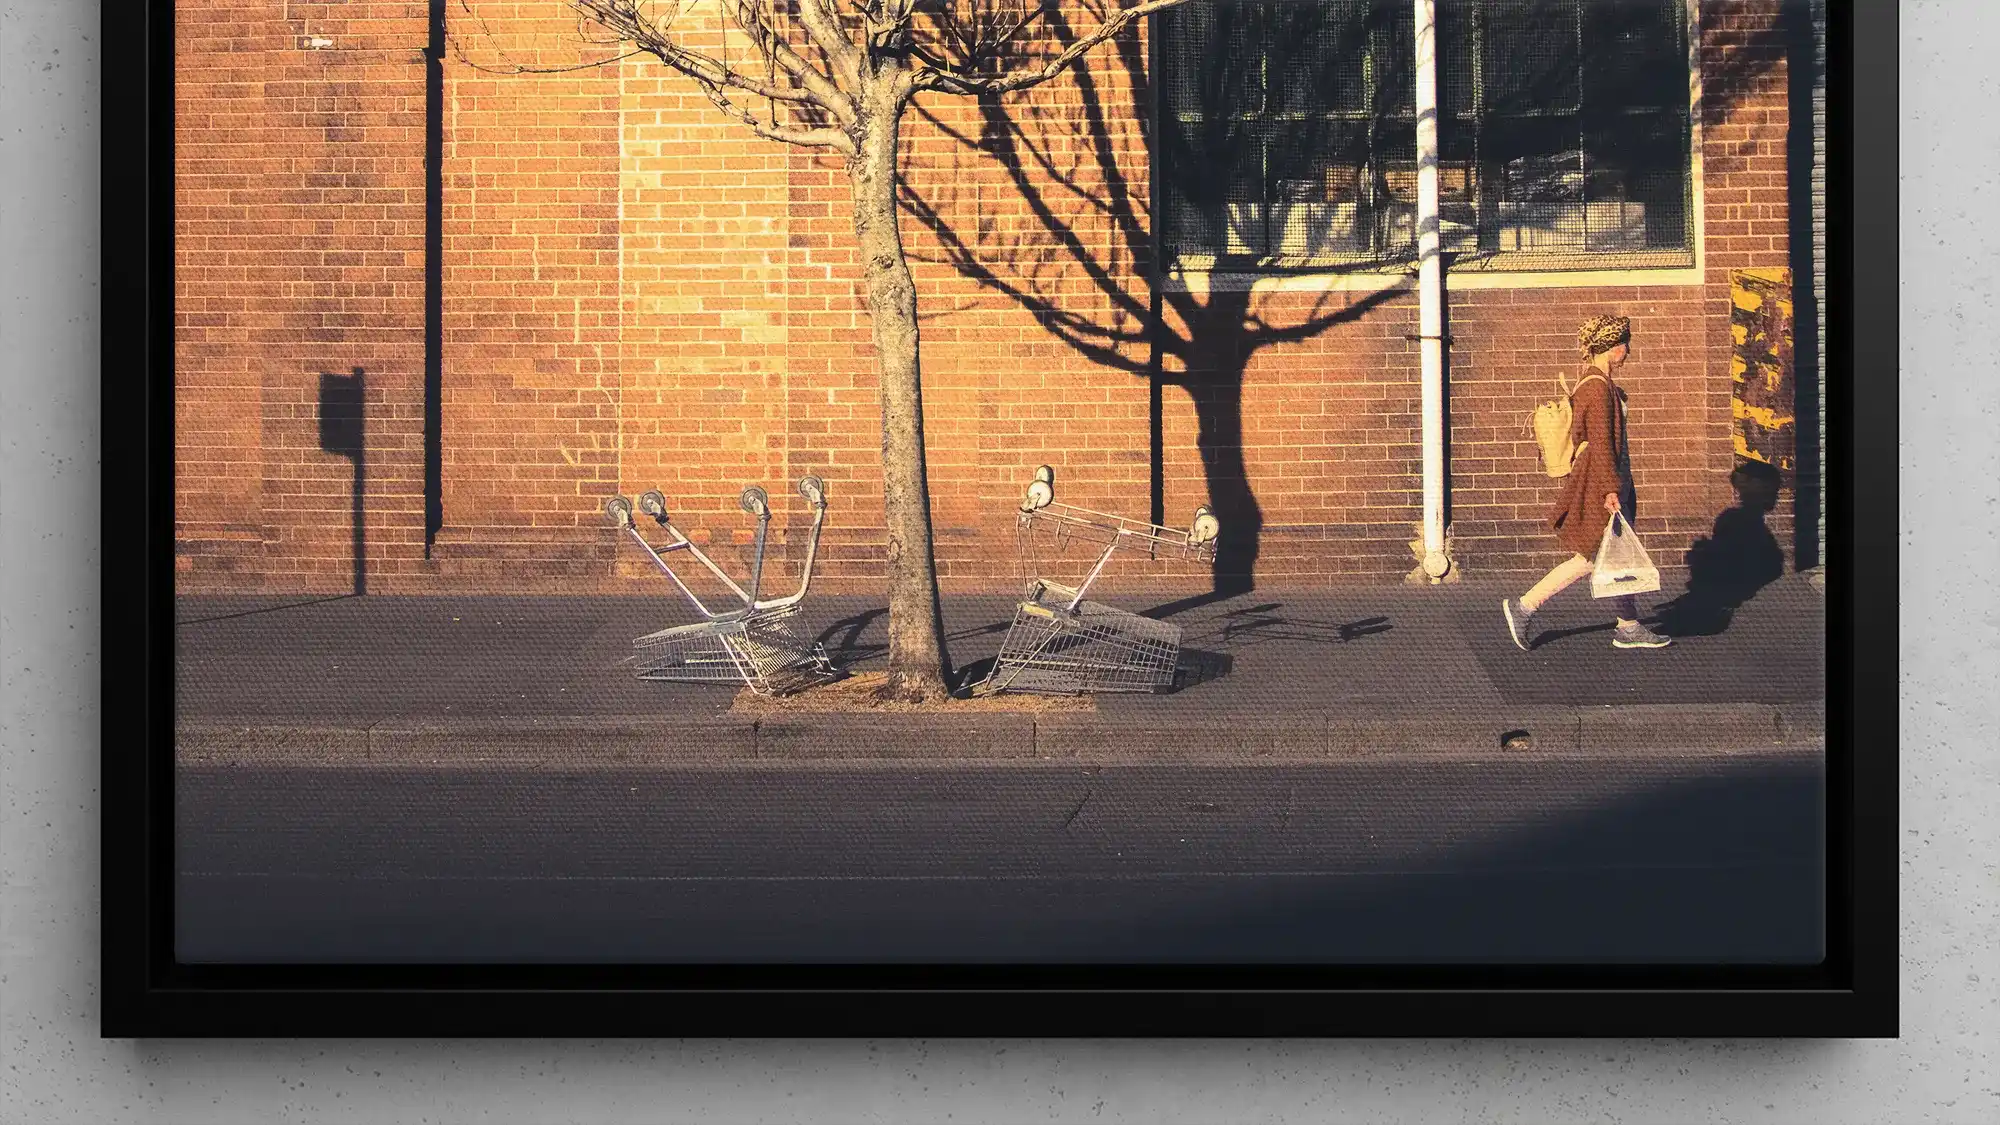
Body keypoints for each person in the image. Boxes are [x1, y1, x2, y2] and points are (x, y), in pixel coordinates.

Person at [1502, 314, 1672, 651]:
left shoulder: (1598, 384)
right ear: (1610, 347)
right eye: (1625, 343)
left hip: (1609, 479)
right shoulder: (1596, 387)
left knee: (1614, 555)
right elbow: (1601, 442)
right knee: (1592, 557)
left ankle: (1628, 625)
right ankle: (1524, 607)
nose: (1628, 350)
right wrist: (1611, 489)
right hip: (1602, 482)